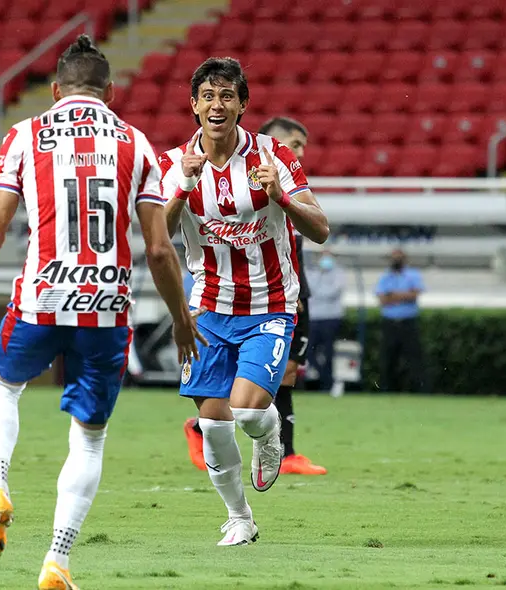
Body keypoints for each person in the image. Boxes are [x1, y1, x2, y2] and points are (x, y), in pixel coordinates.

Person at [0, 35, 203, 589]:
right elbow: (158, 249)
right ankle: (57, 559)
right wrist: (178, 317)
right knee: (90, 436)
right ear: (111, 91)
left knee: (4, 387)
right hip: (106, 304)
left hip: (42, 295)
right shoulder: (136, 143)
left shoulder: (26, 135)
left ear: (55, 90)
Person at [159, 57, 329, 546]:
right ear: (194, 105)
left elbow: (320, 229)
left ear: (242, 105)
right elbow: (155, 234)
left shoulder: (273, 155)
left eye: (227, 96)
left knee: (250, 414)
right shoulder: (173, 164)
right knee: (213, 426)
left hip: (270, 305)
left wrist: (281, 196)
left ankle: (270, 434)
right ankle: (240, 518)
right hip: (208, 309)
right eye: (208, 96)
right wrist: (182, 189)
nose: (217, 105)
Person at [182, 116, 327, 476]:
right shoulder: (251, 175)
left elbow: (309, 236)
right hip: (229, 301)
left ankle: (284, 449)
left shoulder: (284, 182)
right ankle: (210, 429)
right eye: (294, 144)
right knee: (253, 390)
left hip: (280, 295)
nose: (298, 153)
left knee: (286, 374)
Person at [374, 249, 427, 393]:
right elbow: (382, 299)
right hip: (390, 322)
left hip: (408, 322)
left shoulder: (413, 274)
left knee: (414, 358)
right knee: (388, 359)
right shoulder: (385, 277)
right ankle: (388, 390)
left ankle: (420, 391)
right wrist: (404, 295)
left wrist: (393, 296)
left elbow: (415, 294)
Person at [308, 249, 346, 393]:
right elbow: (311, 290)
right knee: (309, 351)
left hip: (331, 317)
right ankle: (328, 379)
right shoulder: (313, 273)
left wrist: (319, 291)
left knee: (328, 352)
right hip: (314, 318)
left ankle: (328, 384)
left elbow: (332, 292)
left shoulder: (339, 273)